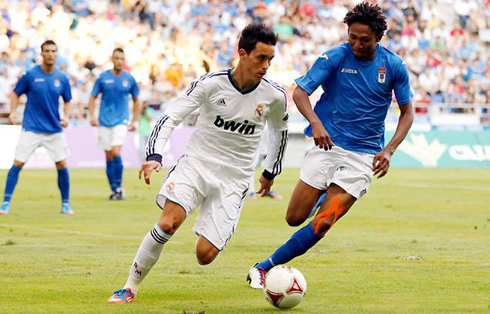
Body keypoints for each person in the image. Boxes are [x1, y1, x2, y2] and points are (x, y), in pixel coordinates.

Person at [107, 23, 289, 304]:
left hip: (235, 179)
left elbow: (279, 132)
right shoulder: (211, 83)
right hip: (196, 165)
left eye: (270, 60)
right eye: (261, 58)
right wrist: (155, 155)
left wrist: (270, 171)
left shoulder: (274, 96)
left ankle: (211, 230)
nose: (266, 66)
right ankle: (130, 286)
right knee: (168, 223)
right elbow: (171, 117)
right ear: (242, 53)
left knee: (204, 256)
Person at [247, 2, 414, 288]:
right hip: (326, 147)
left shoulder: (394, 66)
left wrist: (389, 150)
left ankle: (263, 267)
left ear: (378, 38)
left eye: (364, 39)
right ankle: (324, 195)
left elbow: (407, 112)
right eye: (352, 37)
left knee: (323, 222)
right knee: (294, 217)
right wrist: (315, 122)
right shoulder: (335, 57)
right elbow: (300, 93)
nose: (357, 44)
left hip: (362, 158)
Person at [0, 40, 73, 216]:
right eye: (47, 51)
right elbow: (16, 94)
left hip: (53, 129)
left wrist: (66, 117)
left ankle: (65, 204)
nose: (50, 54)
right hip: (31, 128)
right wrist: (13, 112)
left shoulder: (61, 77)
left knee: (62, 164)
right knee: (17, 164)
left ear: (56, 54)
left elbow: (68, 100)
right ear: (41, 54)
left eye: (53, 51)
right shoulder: (30, 75)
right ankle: (5, 203)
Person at [88, 48, 140, 200]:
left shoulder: (129, 79)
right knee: (109, 155)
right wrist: (91, 115)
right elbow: (92, 97)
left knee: (116, 152)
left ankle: (119, 186)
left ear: (124, 60)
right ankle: (114, 189)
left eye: (121, 59)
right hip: (104, 121)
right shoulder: (103, 78)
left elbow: (137, 100)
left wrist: (135, 119)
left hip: (121, 121)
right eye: (116, 58)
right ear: (112, 59)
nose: (119, 61)